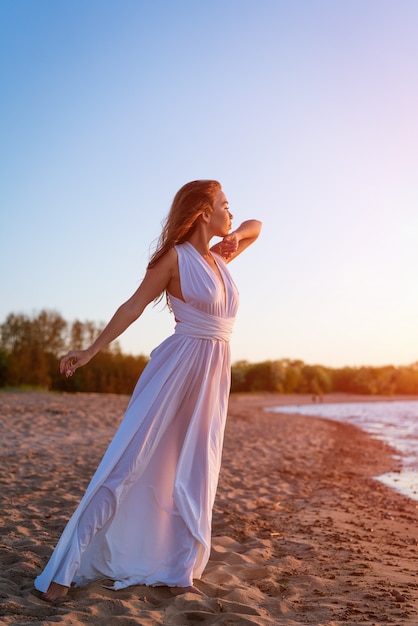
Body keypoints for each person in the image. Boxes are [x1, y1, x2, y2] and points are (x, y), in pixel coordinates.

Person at [35, 179, 262, 602]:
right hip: (177, 369)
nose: (231, 212)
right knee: (129, 461)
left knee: (195, 466)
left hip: (212, 377)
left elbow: (257, 225)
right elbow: (133, 306)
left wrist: (231, 234)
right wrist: (91, 350)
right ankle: (65, 571)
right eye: (224, 206)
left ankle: (179, 569)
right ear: (202, 212)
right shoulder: (175, 259)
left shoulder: (219, 257)